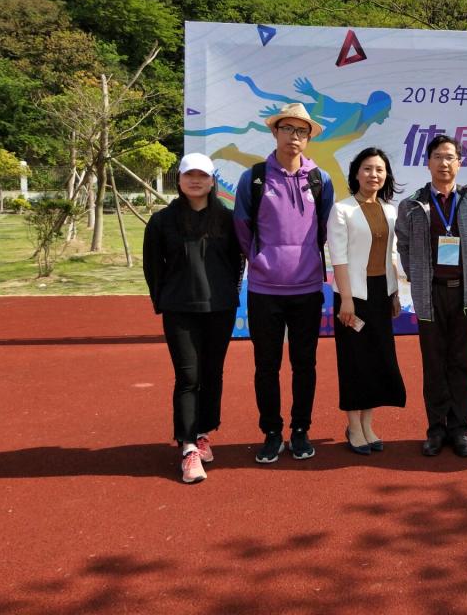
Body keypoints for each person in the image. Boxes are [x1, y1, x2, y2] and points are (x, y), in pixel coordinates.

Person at [233, 102, 335, 464]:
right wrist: (262, 259)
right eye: (288, 129)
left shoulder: (320, 180)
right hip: (264, 290)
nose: (294, 136)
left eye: (301, 131)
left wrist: (304, 259)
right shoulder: (255, 178)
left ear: (309, 138)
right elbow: (242, 226)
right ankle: (272, 432)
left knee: (305, 364)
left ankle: (301, 430)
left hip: (307, 288)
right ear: (275, 132)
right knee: (266, 365)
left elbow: (326, 228)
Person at [143, 153, 244, 484]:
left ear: (212, 181)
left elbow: (236, 263)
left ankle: (203, 433)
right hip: (180, 310)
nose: (196, 181)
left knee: (213, 374)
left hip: (220, 308)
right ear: (180, 180)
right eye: (190, 175)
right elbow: (152, 267)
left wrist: (228, 293)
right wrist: (163, 300)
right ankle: (187, 446)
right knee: (188, 376)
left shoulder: (227, 219)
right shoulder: (162, 221)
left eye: (203, 175)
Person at [396, 135, 467, 458]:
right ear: (428, 163)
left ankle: (460, 428)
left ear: (460, 163)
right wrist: (418, 275)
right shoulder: (412, 204)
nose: (444, 163)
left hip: (465, 294)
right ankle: (436, 429)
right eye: (437, 156)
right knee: (434, 363)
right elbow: (403, 245)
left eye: (450, 157)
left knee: (463, 363)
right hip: (430, 294)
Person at [327, 147, 406, 455]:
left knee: (377, 359)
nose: (374, 175)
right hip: (353, 296)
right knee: (354, 361)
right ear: (356, 174)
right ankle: (354, 426)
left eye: (380, 170)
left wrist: (395, 293)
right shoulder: (342, 209)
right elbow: (339, 258)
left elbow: (392, 255)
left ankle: (368, 423)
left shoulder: (390, 210)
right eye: (368, 169)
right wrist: (346, 300)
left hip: (381, 294)